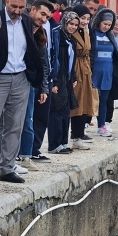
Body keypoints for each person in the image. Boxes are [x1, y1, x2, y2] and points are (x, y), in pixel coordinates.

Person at [0, 0, 45, 183]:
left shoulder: (26, 20)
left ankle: (7, 168)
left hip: (21, 78)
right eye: (14, 6)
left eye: (21, 7)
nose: (17, 11)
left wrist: (38, 81)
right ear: (7, 1)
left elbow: (35, 50)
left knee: (15, 125)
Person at [17, 0, 53, 167]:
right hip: (12, 78)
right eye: (42, 14)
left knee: (27, 120)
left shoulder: (41, 34)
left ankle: (26, 155)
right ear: (32, 10)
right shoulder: (18, 28)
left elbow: (44, 64)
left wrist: (43, 88)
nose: (44, 19)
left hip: (30, 83)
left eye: (47, 17)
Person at [47, 11, 79, 154]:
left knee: (65, 112)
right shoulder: (57, 37)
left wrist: (74, 77)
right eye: (71, 24)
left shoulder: (71, 39)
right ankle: (54, 145)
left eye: (75, 25)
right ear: (65, 22)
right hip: (57, 79)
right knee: (56, 112)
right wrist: (53, 82)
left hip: (67, 79)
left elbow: (71, 61)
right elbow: (54, 59)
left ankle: (63, 143)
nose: (73, 27)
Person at [90, 8, 118, 138]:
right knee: (90, 99)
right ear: (98, 21)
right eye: (105, 24)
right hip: (94, 72)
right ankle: (85, 123)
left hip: (107, 73)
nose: (107, 27)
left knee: (104, 100)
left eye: (109, 25)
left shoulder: (110, 36)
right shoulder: (92, 34)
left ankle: (101, 125)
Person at [67, 4, 96, 149]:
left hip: (85, 68)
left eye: (87, 19)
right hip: (75, 67)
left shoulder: (86, 31)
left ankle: (79, 135)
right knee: (76, 103)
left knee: (85, 102)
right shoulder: (71, 32)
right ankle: (73, 136)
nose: (85, 21)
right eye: (82, 18)